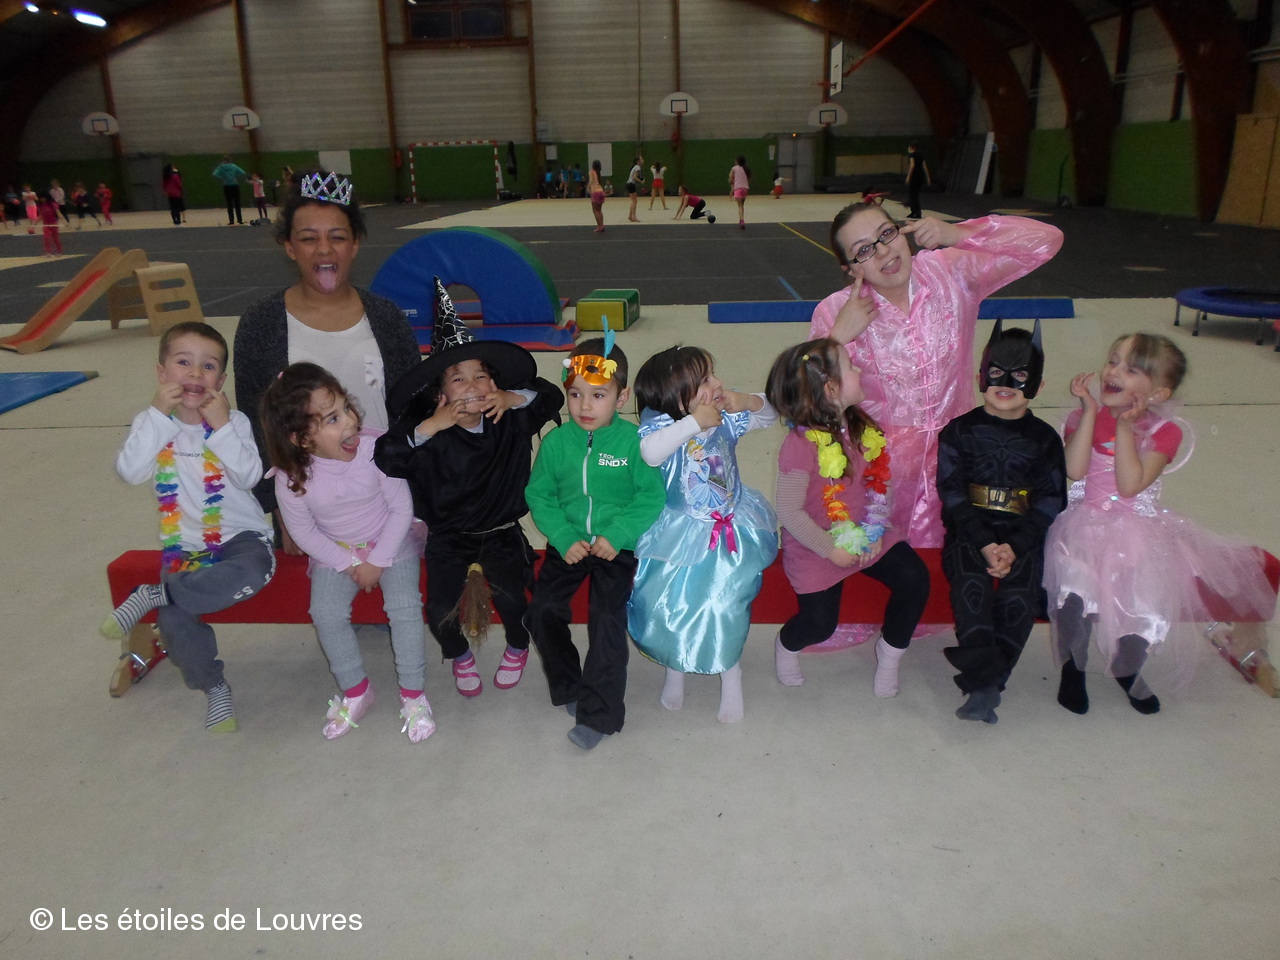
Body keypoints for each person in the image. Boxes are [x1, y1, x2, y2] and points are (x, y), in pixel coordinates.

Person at [1046, 333, 1277, 715]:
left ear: (1157, 393)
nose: (1113, 372)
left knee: (1142, 607)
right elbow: (1074, 470)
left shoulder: (1165, 432)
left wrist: (1124, 429)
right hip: (1083, 525)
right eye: (1113, 360)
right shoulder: (1084, 417)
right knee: (1073, 600)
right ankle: (1074, 668)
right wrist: (1088, 413)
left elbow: (1130, 485)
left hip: (1137, 532)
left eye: (1131, 369)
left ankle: (1127, 669)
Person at [810, 204, 1063, 551]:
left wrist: (959, 234)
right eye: (864, 250)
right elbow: (808, 401)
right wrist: (837, 337)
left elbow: (1047, 241)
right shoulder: (834, 312)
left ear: (903, 231)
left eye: (886, 234)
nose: (883, 252)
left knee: (965, 558)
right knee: (893, 568)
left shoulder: (950, 272)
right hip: (882, 475)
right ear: (849, 268)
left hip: (964, 460)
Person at [375, 279, 562, 698]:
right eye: (458, 379)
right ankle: (459, 654)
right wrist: (431, 426)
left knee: (515, 600)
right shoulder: (428, 432)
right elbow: (388, 456)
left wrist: (514, 398)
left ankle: (518, 645)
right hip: (448, 537)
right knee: (439, 610)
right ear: (440, 394)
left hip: (501, 533)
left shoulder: (509, 418)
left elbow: (550, 396)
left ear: (493, 384)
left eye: (481, 376)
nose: (473, 385)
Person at [234, 171, 421, 555]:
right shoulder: (261, 323)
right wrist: (283, 512)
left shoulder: (386, 318)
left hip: (386, 501)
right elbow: (257, 426)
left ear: (355, 244)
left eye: (337, 237)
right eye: (308, 238)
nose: (324, 250)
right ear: (289, 247)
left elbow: (414, 409)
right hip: (309, 511)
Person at [100, 322, 274, 732]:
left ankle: (155, 594)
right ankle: (214, 687)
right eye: (183, 362)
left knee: (253, 571)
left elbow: (249, 476)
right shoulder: (152, 424)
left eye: (208, 366)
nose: (195, 373)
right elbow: (130, 471)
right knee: (175, 623)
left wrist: (223, 426)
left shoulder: (235, 422)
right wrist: (157, 416)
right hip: (186, 547)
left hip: (241, 539)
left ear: (221, 381)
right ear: (161, 372)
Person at [260, 363, 433, 743]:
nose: (351, 422)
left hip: (392, 538)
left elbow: (401, 509)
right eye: (333, 419)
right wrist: (350, 563)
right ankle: (356, 689)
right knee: (325, 613)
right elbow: (304, 532)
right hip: (335, 550)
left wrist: (377, 560)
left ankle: (413, 693)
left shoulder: (375, 450)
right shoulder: (291, 478)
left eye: (346, 407)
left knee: (405, 608)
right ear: (302, 439)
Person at [765, 339, 930, 696]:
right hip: (815, 544)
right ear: (830, 389)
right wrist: (831, 549)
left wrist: (876, 531)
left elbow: (880, 484)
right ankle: (786, 645)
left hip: (868, 532)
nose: (859, 370)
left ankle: (890, 654)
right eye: (850, 366)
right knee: (820, 624)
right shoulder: (799, 445)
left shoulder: (863, 429)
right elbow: (790, 511)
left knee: (915, 578)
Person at [526, 336, 665, 750]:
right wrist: (563, 537)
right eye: (575, 394)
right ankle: (570, 685)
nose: (585, 406)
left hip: (616, 546)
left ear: (621, 397)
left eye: (598, 395)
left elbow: (650, 497)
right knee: (541, 612)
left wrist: (617, 535)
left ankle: (599, 715)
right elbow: (540, 495)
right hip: (569, 541)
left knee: (606, 619)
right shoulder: (556, 443)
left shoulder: (634, 443)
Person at [627, 345, 779, 724]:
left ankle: (731, 674)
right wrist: (695, 422)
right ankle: (675, 667)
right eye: (706, 379)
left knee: (724, 605)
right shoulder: (661, 425)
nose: (718, 382)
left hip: (729, 527)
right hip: (680, 532)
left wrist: (746, 401)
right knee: (667, 604)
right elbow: (650, 453)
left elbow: (771, 415)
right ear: (679, 397)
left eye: (713, 374)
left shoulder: (726, 417)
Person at [937, 322, 1067, 723]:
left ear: (1038, 385)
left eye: (1020, 374)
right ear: (981, 376)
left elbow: (1051, 499)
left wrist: (1015, 546)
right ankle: (984, 687)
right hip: (969, 532)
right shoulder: (959, 432)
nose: (1006, 383)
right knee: (971, 590)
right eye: (996, 372)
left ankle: (990, 683)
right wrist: (983, 542)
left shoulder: (1045, 440)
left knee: (1019, 600)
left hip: (1022, 535)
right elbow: (952, 492)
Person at [212, 154, 247, 225]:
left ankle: (231, 221)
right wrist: (235, 176)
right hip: (235, 185)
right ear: (230, 160)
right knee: (237, 203)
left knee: (229, 204)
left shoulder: (221, 167)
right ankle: (239, 220)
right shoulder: (234, 166)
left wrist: (222, 177)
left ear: (223, 161)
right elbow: (243, 172)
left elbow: (214, 174)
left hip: (226, 186)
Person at [905, 143, 931, 220]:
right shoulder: (920, 155)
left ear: (911, 147)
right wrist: (928, 178)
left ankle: (915, 212)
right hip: (920, 177)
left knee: (912, 195)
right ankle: (916, 212)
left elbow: (912, 166)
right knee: (915, 195)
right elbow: (924, 166)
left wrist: (908, 177)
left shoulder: (912, 155)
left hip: (914, 177)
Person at [36, 191, 61, 257]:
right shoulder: (40, 205)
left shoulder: (52, 204)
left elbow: (58, 213)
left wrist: (65, 222)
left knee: (55, 238)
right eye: (41, 198)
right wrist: (35, 223)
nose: (42, 199)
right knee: (46, 238)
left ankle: (59, 251)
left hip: (53, 223)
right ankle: (48, 252)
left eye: (43, 198)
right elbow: (41, 215)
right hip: (46, 224)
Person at [729, 155, 750, 229]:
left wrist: (732, 182)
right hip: (745, 188)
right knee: (742, 205)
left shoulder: (734, 168)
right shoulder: (746, 169)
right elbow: (749, 179)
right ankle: (741, 219)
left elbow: (730, 177)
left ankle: (742, 220)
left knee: (739, 206)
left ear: (737, 161)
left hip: (738, 188)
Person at [588, 159, 606, 233]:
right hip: (600, 191)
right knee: (599, 210)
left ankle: (599, 226)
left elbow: (591, 181)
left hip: (595, 192)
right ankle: (602, 225)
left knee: (595, 210)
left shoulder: (592, 172)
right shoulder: (598, 173)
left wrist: (588, 187)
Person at [626, 154, 644, 222]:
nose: (643, 160)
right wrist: (641, 181)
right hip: (631, 184)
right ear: (638, 161)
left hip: (629, 184)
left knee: (633, 201)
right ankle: (634, 216)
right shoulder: (638, 167)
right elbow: (634, 177)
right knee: (634, 201)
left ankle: (630, 216)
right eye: (641, 159)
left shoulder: (635, 167)